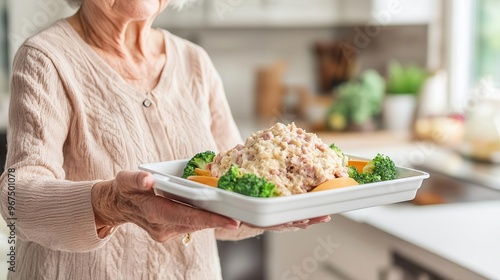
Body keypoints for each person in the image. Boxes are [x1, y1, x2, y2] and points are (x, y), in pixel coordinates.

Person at [0, 0, 331, 278]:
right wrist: (109, 204)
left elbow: (230, 199)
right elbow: (16, 198)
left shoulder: (194, 62)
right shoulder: (45, 58)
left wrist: (274, 209)